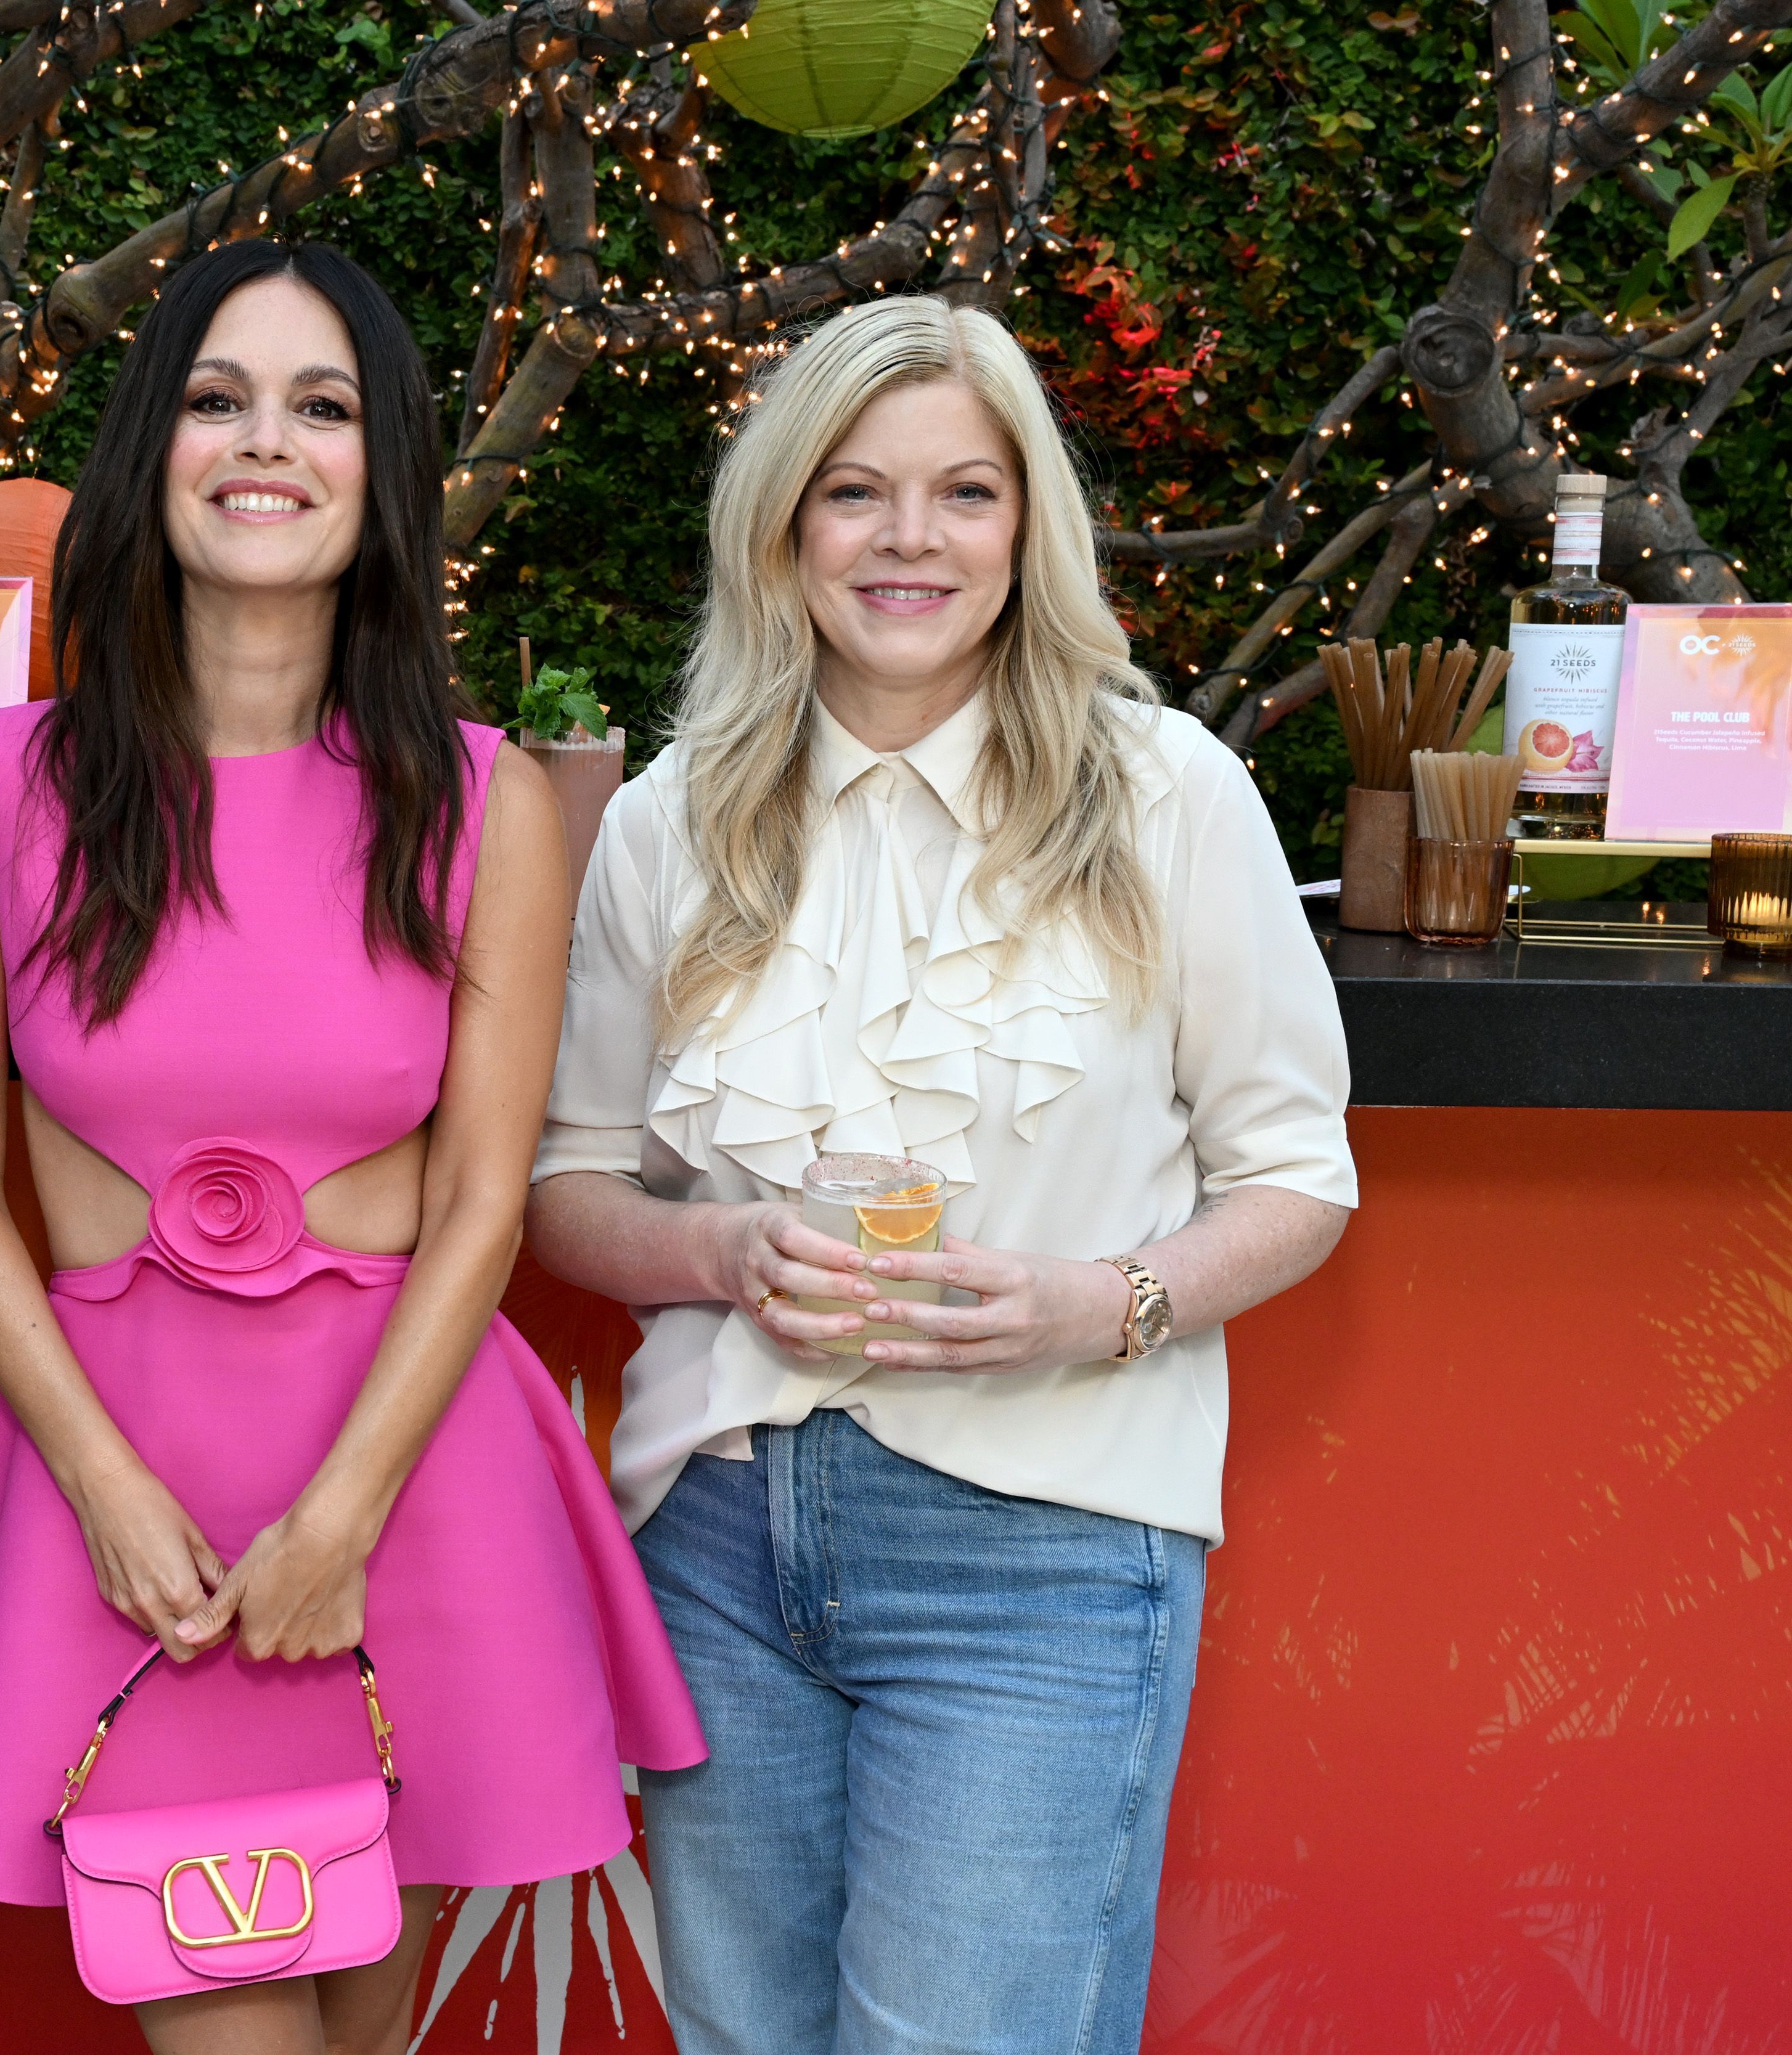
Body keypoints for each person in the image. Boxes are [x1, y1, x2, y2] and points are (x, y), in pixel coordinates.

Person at [0, 238, 705, 2055]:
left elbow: (491, 1191)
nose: (268, 443)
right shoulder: (2, 787)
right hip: (133, 1508)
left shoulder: (484, 799)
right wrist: (98, 1481)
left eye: (322, 406)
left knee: (357, 2025)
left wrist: (344, 1518)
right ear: (147, 454)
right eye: (216, 398)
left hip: (402, 1484)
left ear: (384, 470)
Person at [523, 294, 1356, 2054]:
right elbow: (572, 1185)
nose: (910, 540)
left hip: (1046, 1542)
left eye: (964, 494)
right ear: (783, 525)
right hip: (724, 1540)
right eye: (855, 493)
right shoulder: (675, 818)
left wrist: (1097, 1302)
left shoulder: (1167, 793)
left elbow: (1298, 1174)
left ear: (1028, 526)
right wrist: (724, 1252)